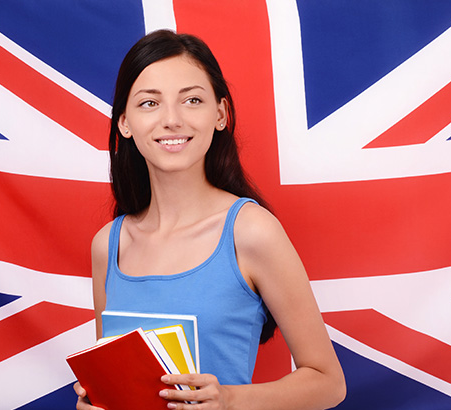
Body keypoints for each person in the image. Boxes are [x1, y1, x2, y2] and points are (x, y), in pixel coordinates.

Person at [74, 29, 346, 409]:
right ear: (124, 123)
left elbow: (328, 384)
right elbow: (117, 378)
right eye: (150, 103)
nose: (171, 119)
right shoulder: (108, 244)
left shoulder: (251, 231)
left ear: (219, 114)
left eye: (192, 100)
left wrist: (229, 399)